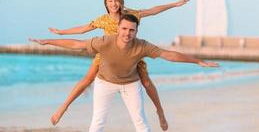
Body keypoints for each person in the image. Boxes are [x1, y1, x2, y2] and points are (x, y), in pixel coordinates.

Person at [29, 14, 219, 132]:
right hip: (105, 83)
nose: (127, 33)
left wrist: (198, 61)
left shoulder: (142, 45)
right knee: (97, 123)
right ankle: (64, 107)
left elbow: (168, 55)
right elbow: (77, 45)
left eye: (131, 30)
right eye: (124, 29)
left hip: (130, 84)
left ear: (136, 31)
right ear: (118, 28)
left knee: (141, 123)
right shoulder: (104, 41)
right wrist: (49, 41)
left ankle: (160, 112)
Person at [47, 0, 189, 131]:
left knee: (147, 83)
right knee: (87, 79)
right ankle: (63, 108)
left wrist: (174, 4)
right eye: (110, 1)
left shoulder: (131, 15)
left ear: (121, 2)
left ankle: (160, 112)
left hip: (131, 55)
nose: (113, 4)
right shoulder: (103, 20)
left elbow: (152, 11)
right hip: (107, 56)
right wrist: (61, 32)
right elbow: (83, 29)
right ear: (106, 3)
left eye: (116, 0)